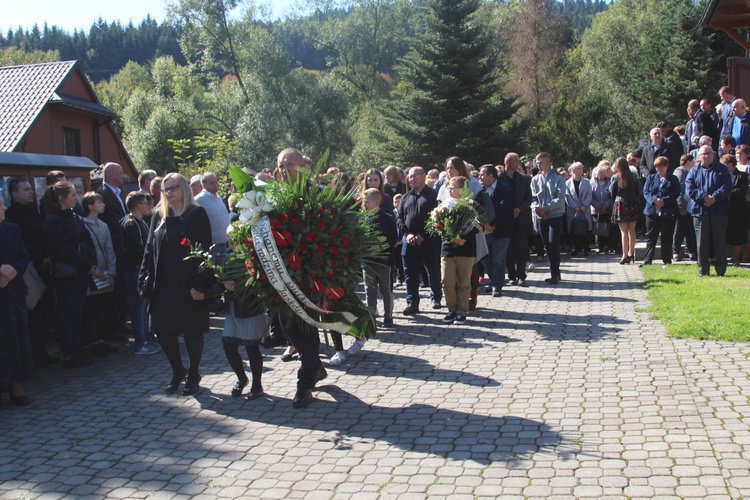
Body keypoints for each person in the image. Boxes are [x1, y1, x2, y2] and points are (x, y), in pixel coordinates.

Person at [139, 173, 213, 395]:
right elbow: (149, 248)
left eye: (173, 188)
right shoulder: (159, 215)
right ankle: (178, 370)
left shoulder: (196, 214)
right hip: (163, 282)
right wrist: (143, 276)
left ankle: (193, 374)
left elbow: (205, 251)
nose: (169, 192)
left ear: (184, 189)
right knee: (161, 329)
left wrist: (200, 284)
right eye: (165, 189)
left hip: (188, 282)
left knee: (192, 331)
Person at [273, 148, 327, 408]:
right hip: (280, 274)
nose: (285, 170)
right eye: (281, 166)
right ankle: (315, 367)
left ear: (302, 167)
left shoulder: (315, 193)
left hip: (309, 273)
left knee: (305, 327)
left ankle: (304, 383)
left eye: (290, 165)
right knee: (288, 327)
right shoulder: (273, 194)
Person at [42, 182, 97, 368]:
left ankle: (76, 349)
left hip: (80, 272)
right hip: (67, 275)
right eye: (73, 194)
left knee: (77, 313)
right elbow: (63, 249)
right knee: (67, 314)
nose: (76, 197)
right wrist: (85, 264)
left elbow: (86, 239)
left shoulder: (73, 216)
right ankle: (69, 354)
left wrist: (90, 263)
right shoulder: (52, 220)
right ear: (61, 198)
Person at [5, 177, 58, 367]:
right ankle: (33, 355)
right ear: (14, 194)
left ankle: (40, 351)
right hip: (27, 272)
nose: (31, 192)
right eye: (26, 189)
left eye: (31, 188)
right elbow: (22, 246)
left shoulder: (33, 212)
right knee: (31, 315)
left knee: (43, 312)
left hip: (43, 270)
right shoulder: (12, 217)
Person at [0, 197, 34, 406]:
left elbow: (24, 255)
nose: (4, 207)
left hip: (13, 293)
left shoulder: (12, 229)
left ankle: (16, 385)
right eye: (0, 205)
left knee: (16, 341)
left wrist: (13, 269)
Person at [396, 166, 442, 313]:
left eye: (415, 176)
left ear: (423, 176)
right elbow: (399, 218)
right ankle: (412, 303)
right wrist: (407, 234)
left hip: (428, 240)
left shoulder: (434, 195)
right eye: (410, 176)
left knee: (432, 270)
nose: (412, 179)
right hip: (408, 240)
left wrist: (423, 235)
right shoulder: (405, 197)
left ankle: (436, 298)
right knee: (410, 273)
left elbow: (437, 219)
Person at [120, 192, 161, 355]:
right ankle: (141, 341)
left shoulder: (141, 222)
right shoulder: (130, 223)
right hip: (134, 269)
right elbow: (138, 248)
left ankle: (147, 337)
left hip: (140, 269)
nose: (148, 206)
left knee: (143, 306)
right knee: (138, 306)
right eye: (145, 203)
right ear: (137, 205)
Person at [685, 146, 732, 277]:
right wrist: (704, 197)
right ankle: (703, 270)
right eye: (703, 154)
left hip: (719, 211)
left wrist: (714, 198)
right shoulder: (694, 171)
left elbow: (727, 186)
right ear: (698, 157)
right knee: (701, 243)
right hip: (700, 211)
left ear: (713, 155)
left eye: (708, 154)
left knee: (719, 241)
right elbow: (690, 188)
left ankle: (721, 270)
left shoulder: (722, 169)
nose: (706, 156)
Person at [81, 192, 118, 355]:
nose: (103, 205)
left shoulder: (104, 225)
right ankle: (94, 341)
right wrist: (94, 270)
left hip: (105, 269)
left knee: (104, 307)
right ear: (90, 206)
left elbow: (110, 250)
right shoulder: (82, 224)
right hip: (92, 272)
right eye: (99, 202)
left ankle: (102, 340)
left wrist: (111, 272)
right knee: (93, 309)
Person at [439, 177, 479, 325]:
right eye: (448, 188)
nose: (449, 190)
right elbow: (437, 225)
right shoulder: (444, 205)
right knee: (446, 281)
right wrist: (452, 237)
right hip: (448, 248)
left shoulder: (471, 205)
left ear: (462, 189)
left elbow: (476, 227)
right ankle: (451, 309)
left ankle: (462, 311)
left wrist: (462, 237)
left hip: (466, 247)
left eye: (453, 188)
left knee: (464, 282)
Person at [221, 277, 266, 400]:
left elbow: (258, 278)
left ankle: (257, 385)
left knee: (251, 346)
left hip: (249, 306)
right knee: (228, 345)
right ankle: (242, 378)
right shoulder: (226, 257)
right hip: (232, 306)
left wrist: (238, 284)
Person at [530, 153, 566, 284]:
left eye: (540, 162)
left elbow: (561, 199)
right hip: (540, 217)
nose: (538, 165)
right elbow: (533, 198)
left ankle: (555, 273)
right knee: (546, 245)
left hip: (554, 216)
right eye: (537, 163)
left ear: (548, 162)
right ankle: (554, 272)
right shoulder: (535, 180)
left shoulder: (558, 179)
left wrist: (545, 209)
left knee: (553, 243)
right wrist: (538, 210)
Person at [499, 153, 532, 287]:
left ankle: (521, 276)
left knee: (521, 247)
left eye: (518, 161)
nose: (518, 163)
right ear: (507, 162)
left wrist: (520, 209)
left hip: (521, 218)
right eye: (515, 161)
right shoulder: (499, 178)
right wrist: (508, 211)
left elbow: (529, 197)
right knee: (508, 248)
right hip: (506, 219)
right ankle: (511, 275)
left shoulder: (523, 179)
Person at [640, 157, 680, 267]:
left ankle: (667, 260)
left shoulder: (673, 179)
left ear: (666, 166)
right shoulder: (651, 178)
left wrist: (664, 201)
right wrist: (654, 201)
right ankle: (647, 260)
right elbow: (646, 192)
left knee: (666, 237)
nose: (659, 168)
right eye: (657, 166)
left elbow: (676, 192)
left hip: (668, 211)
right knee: (651, 237)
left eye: (661, 166)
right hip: (652, 212)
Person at [480, 164, 512, 296]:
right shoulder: (480, 190)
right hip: (484, 230)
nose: (479, 177)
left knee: (498, 258)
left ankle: (497, 285)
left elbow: (505, 210)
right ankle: (493, 280)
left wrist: (492, 224)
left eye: (482, 174)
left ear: (491, 176)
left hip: (501, 229)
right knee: (485, 257)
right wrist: (485, 224)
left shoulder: (504, 189)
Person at [610, 157, 642, 265]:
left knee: (623, 231)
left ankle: (624, 255)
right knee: (632, 230)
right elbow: (639, 191)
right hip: (632, 204)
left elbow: (611, 192)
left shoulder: (615, 177)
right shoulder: (634, 176)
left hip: (620, 204)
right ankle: (630, 253)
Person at [195, 172, 230, 265]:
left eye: (216, 182)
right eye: (211, 183)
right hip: (211, 246)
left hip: (223, 243)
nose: (215, 185)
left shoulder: (218, 198)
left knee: (221, 274)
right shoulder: (199, 200)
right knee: (213, 274)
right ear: (203, 185)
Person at [722, 154, 749, 266]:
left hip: (737, 210)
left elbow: (741, 191)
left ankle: (736, 258)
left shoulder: (742, 176)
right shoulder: (721, 176)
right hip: (723, 210)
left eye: (724, 165)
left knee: (737, 236)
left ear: (730, 164)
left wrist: (726, 193)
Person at [672, 155, 697, 261]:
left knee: (689, 229)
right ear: (689, 161)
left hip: (690, 206)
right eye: (693, 161)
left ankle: (690, 250)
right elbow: (682, 187)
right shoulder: (680, 171)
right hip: (682, 205)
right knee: (679, 229)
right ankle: (676, 251)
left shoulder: (690, 171)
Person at [565, 162, 592, 257]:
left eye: (581, 168)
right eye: (578, 169)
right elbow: (567, 196)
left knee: (585, 229)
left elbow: (589, 195)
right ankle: (575, 249)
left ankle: (585, 249)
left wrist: (585, 205)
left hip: (584, 209)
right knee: (574, 229)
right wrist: (574, 207)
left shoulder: (587, 182)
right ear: (573, 171)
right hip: (573, 210)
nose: (581, 170)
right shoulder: (567, 183)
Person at [590, 165, 613, 254]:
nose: (602, 174)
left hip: (607, 209)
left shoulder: (610, 182)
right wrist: (597, 206)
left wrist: (606, 206)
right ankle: (599, 246)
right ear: (596, 173)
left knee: (606, 227)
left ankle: (607, 245)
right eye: (600, 172)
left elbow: (610, 196)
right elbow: (590, 196)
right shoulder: (592, 183)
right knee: (597, 228)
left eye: (603, 172)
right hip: (596, 210)